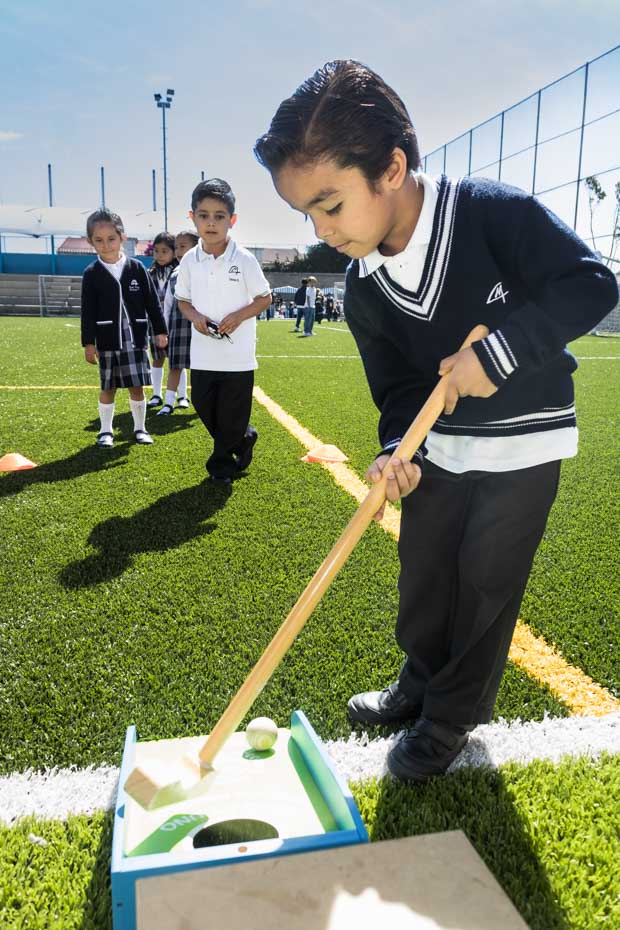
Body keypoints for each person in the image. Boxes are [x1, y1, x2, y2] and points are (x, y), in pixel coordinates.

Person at [254, 60, 618, 783]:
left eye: (330, 205)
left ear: (391, 167)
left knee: (484, 586)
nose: (323, 231)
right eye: (307, 216)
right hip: (440, 449)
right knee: (423, 574)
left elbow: (592, 283)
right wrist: (397, 451)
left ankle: (450, 718)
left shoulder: (491, 212)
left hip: (524, 447)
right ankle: (418, 682)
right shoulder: (362, 286)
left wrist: (504, 355)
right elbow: (396, 390)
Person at [175, 178, 272, 484]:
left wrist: (239, 316)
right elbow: (183, 301)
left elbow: (265, 297)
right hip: (203, 354)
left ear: (232, 221)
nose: (211, 223)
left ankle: (221, 469)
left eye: (219, 216)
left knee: (230, 413)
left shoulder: (244, 259)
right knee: (204, 407)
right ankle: (244, 438)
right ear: (193, 217)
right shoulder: (189, 260)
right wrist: (196, 318)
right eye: (203, 215)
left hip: (238, 357)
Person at [81, 209, 168, 447]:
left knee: (136, 387)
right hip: (107, 339)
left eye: (111, 238)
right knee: (108, 387)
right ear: (90, 242)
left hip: (135, 339)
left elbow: (152, 303)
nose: (106, 245)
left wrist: (160, 331)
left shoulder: (137, 268)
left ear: (122, 238)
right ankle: (105, 431)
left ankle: (140, 428)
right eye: (98, 240)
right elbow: (87, 312)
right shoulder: (91, 274)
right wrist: (89, 343)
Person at [157, 230, 199, 415]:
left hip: (199, 327)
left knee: (201, 368)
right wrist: (164, 330)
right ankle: (168, 403)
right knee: (175, 365)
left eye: (183, 246)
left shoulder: (204, 271)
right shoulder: (174, 273)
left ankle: (200, 402)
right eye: (177, 247)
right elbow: (167, 304)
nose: (179, 251)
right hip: (178, 326)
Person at [147, 232, 180, 408]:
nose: (159, 255)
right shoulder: (149, 273)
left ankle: (181, 396)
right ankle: (156, 394)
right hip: (156, 323)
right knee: (158, 358)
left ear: (174, 252)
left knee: (177, 360)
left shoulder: (180, 271)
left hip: (175, 321)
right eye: (156, 251)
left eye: (164, 251)